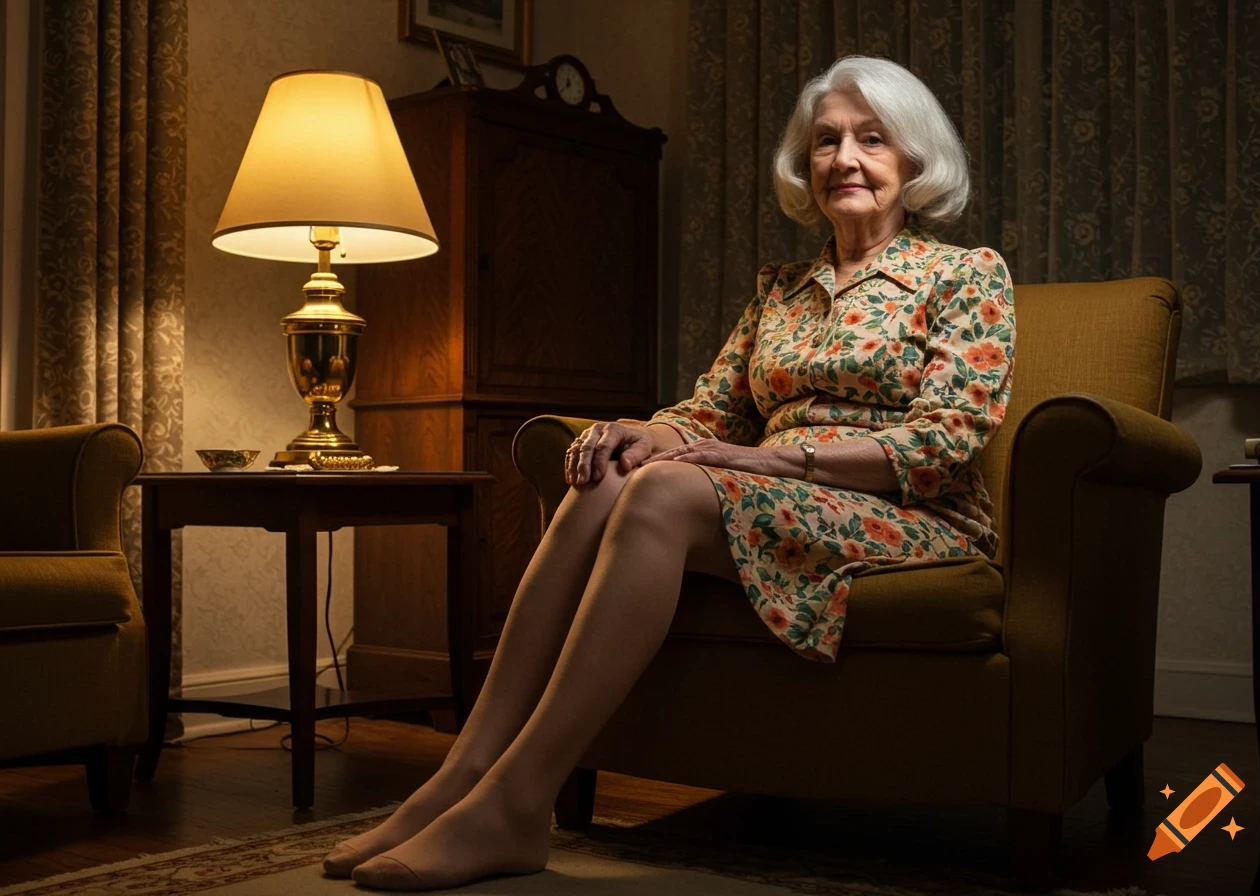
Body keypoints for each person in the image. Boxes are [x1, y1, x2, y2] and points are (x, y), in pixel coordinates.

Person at [325, 53, 1016, 891]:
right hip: (775, 495)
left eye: (872, 139)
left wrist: (774, 457)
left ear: (912, 160)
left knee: (661, 491)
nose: (845, 159)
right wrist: (639, 432)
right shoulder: (781, 291)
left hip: (907, 514)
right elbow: (710, 411)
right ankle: (462, 775)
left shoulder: (964, 275)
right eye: (827, 140)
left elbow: (948, 442)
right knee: (611, 475)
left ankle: (516, 799)